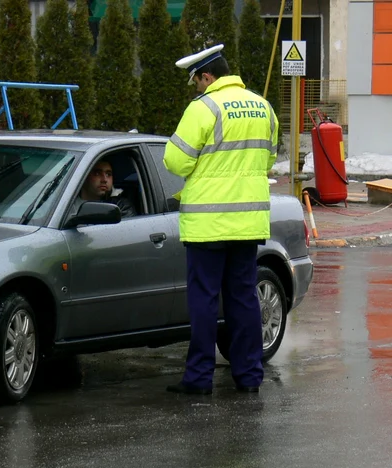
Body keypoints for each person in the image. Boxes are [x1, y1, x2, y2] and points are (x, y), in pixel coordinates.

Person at [163, 44, 279, 395]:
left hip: (207, 226)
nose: (196, 88)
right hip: (247, 225)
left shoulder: (204, 108)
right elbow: (270, 159)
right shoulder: (264, 107)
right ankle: (249, 376)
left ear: (207, 76)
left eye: (197, 81)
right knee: (243, 298)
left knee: (204, 300)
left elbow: (175, 161)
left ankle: (199, 379)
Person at [71, 159, 137, 218]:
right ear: (84, 176)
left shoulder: (120, 208)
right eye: (97, 173)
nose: (104, 180)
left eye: (108, 174)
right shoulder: (66, 203)